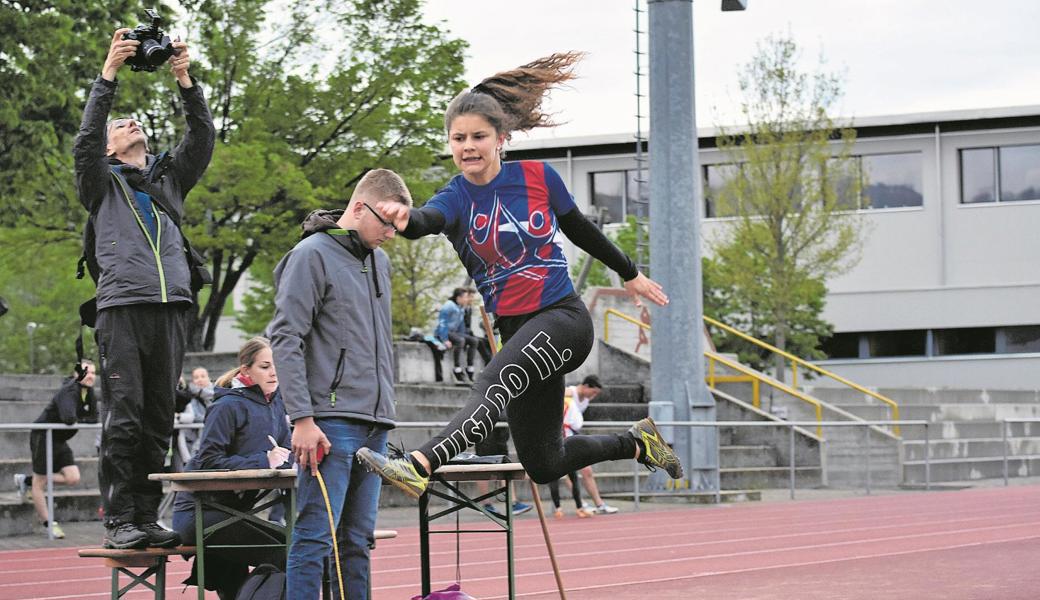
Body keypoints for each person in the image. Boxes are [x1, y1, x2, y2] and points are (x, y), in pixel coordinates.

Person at [357, 52, 682, 500]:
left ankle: (420, 464)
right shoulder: (455, 197)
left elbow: (581, 229)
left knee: (491, 382)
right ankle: (637, 441)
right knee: (544, 462)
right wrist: (403, 216)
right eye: (458, 138)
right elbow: (425, 220)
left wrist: (630, 273)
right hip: (516, 332)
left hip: (561, 320)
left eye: (478, 137)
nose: (468, 146)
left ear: (501, 138)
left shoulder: (538, 177)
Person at [74, 27, 215, 549]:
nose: (128, 123)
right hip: (122, 306)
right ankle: (119, 520)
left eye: (133, 122)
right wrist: (108, 74)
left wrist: (184, 79)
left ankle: (146, 516)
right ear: (110, 146)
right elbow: (85, 141)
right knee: (125, 415)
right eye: (119, 124)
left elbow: (201, 138)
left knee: (159, 418)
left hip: (172, 306)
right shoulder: (99, 182)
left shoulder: (167, 178)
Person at [268, 169, 411, 599]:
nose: (391, 234)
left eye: (399, 226)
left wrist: (386, 412)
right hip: (329, 422)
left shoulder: (379, 262)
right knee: (314, 535)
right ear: (358, 207)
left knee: (357, 541)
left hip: (375, 422)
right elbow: (285, 336)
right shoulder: (311, 254)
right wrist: (302, 418)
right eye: (387, 222)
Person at [172, 337, 292, 600]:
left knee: (295, 545)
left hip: (235, 513)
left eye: (278, 366)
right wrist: (264, 460)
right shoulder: (227, 405)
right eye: (265, 366)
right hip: (200, 513)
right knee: (285, 551)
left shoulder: (276, 403)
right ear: (245, 370)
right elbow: (206, 462)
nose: (274, 372)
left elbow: (286, 453)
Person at [14, 361, 99, 538]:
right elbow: (69, 418)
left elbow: (94, 417)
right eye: (86, 372)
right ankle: (49, 523)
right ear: (77, 375)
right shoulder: (69, 390)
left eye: (93, 373)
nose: (90, 376)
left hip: (59, 439)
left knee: (73, 477)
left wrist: (81, 419)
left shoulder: (89, 392)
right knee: (41, 482)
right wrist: (83, 419)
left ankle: (26, 481)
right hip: (43, 436)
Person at [564, 375, 619, 514]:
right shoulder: (570, 392)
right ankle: (580, 503)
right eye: (593, 392)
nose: (594, 396)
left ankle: (599, 504)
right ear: (586, 386)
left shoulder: (585, 401)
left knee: (586, 471)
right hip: (562, 436)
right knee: (568, 472)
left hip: (574, 435)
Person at [547, 390, 591, 519]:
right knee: (573, 477)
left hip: (551, 442)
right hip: (568, 442)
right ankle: (579, 507)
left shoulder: (548, 403)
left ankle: (558, 509)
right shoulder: (570, 403)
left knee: (553, 478)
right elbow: (578, 423)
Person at [435, 287, 481, 383]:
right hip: (444, 332)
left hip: (454, 333)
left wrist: (465, 336)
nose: (467, 299)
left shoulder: (461, 308)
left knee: (474, 341)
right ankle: (457, 369)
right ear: (458, 298)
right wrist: (445, 339)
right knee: (460, 340)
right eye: (465, 297)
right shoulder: (449, 306)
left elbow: (461, 326)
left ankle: (470, 368)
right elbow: (442, 323)